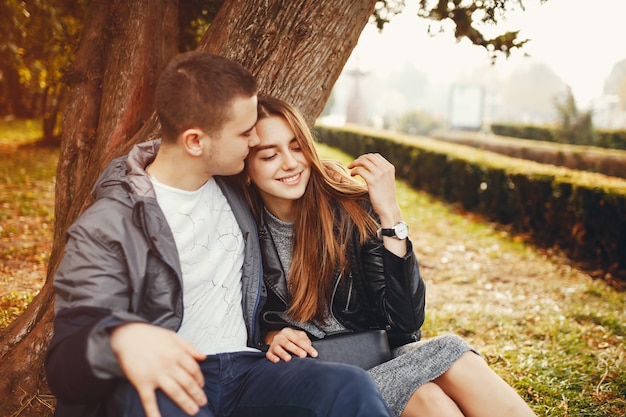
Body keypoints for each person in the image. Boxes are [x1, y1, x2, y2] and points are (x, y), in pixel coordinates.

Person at [45, 51, 393, 417]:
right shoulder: (108, 224)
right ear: (195, 141)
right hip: (173, 377)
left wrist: (270, 333)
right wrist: (119, 337)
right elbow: (67, 356)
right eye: (245, 133)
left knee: (349, 388)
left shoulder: (237, 189)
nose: (255, 139)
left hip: (248, 370)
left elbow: (298, 181)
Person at [235, 95, 538, 417]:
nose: (291, 163)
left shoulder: (350, 210)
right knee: (429, 392)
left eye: (297, 148)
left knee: (438, 381)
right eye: (270, 155)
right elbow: (235, 320)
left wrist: (390, 215)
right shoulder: (237, 227)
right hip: (319, 377)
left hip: (380, 359)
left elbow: (405, 327)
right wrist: (271, 334)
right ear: (248, 169)